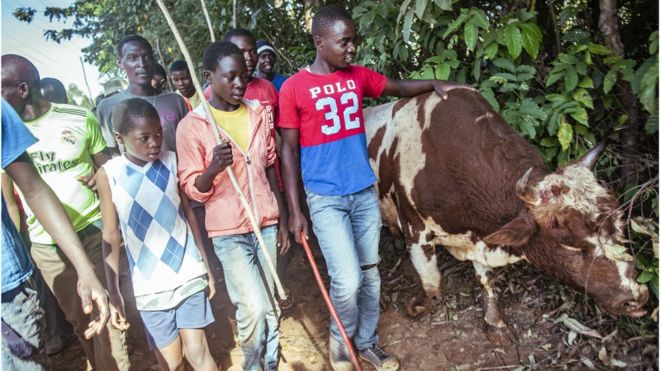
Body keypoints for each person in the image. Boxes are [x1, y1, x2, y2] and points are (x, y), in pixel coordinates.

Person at [278, 5, 473, 371]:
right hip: (326, 199)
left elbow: (398, 87)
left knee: (370, 275)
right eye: (344, 42)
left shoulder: (356, 76)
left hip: (364, 192)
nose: (351, 49)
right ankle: (340, 344)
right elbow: (287, 151)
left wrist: (433, 84)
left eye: (354, 41)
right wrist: (295, 211)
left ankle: (366, 343)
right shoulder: (293, 88)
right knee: (347, 279)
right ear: (320, 42)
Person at [1, 54, 130, 370]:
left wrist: (100, 177)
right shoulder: (9, 133)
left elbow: (109, 165)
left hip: (92, 231)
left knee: (108, 318)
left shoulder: (78, 116)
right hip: (46, 247)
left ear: (21, 89)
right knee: (80, 322)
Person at [177, 41, 289, 371]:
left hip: (266, 221)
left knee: (270, 305)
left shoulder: (256, 112)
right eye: (230, 77)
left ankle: (269, 362)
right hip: (228, 232)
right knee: (252, 307)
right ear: (208, 77)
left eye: (243, 75)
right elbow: (192, 190)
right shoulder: (193, 126)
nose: (240, 84)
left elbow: (270, 165)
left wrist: (280, 218)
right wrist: (212, 169)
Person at [97, 98, 217, 370]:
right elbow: (111, 235)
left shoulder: (173, 161)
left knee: (198, 351)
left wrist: (205, 265)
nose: (155, 142)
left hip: (187, 271)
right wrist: (113, 291)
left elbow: (188, 215)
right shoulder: (109, 174)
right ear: (120, 137)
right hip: (149, 286)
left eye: (159, 134)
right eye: (144, 137)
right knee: (171, 363)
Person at [96, 35, 188, 155]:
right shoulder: (107, 107)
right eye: (132, 58)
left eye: (147, 57)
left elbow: (189, 144)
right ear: (120, 62)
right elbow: (113, 153)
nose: (142, 64)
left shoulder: (175, 101)